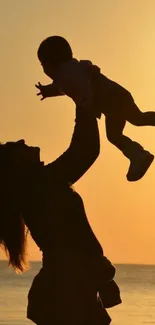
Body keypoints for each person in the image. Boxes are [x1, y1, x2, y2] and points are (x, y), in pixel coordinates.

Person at [0, 103, 121, 324]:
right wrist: (83, 100)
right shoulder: (40, 184)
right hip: (66, 288)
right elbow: (84, 150)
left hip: (69, 284)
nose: (21, 141)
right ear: (14, 166)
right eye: (13, 146)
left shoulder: (39, 185)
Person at [36, 35, 155, 182]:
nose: (44, 69)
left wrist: (85, 106)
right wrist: (48, 91)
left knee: (130, 124)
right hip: (114, 100)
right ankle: (138, 155)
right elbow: (63, 87)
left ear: (51, 62)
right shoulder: (69, 72)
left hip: (113, 98)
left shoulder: (67, 72)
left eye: (43, 64)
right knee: (131, 123)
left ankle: (138, 155)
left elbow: (81, 85)